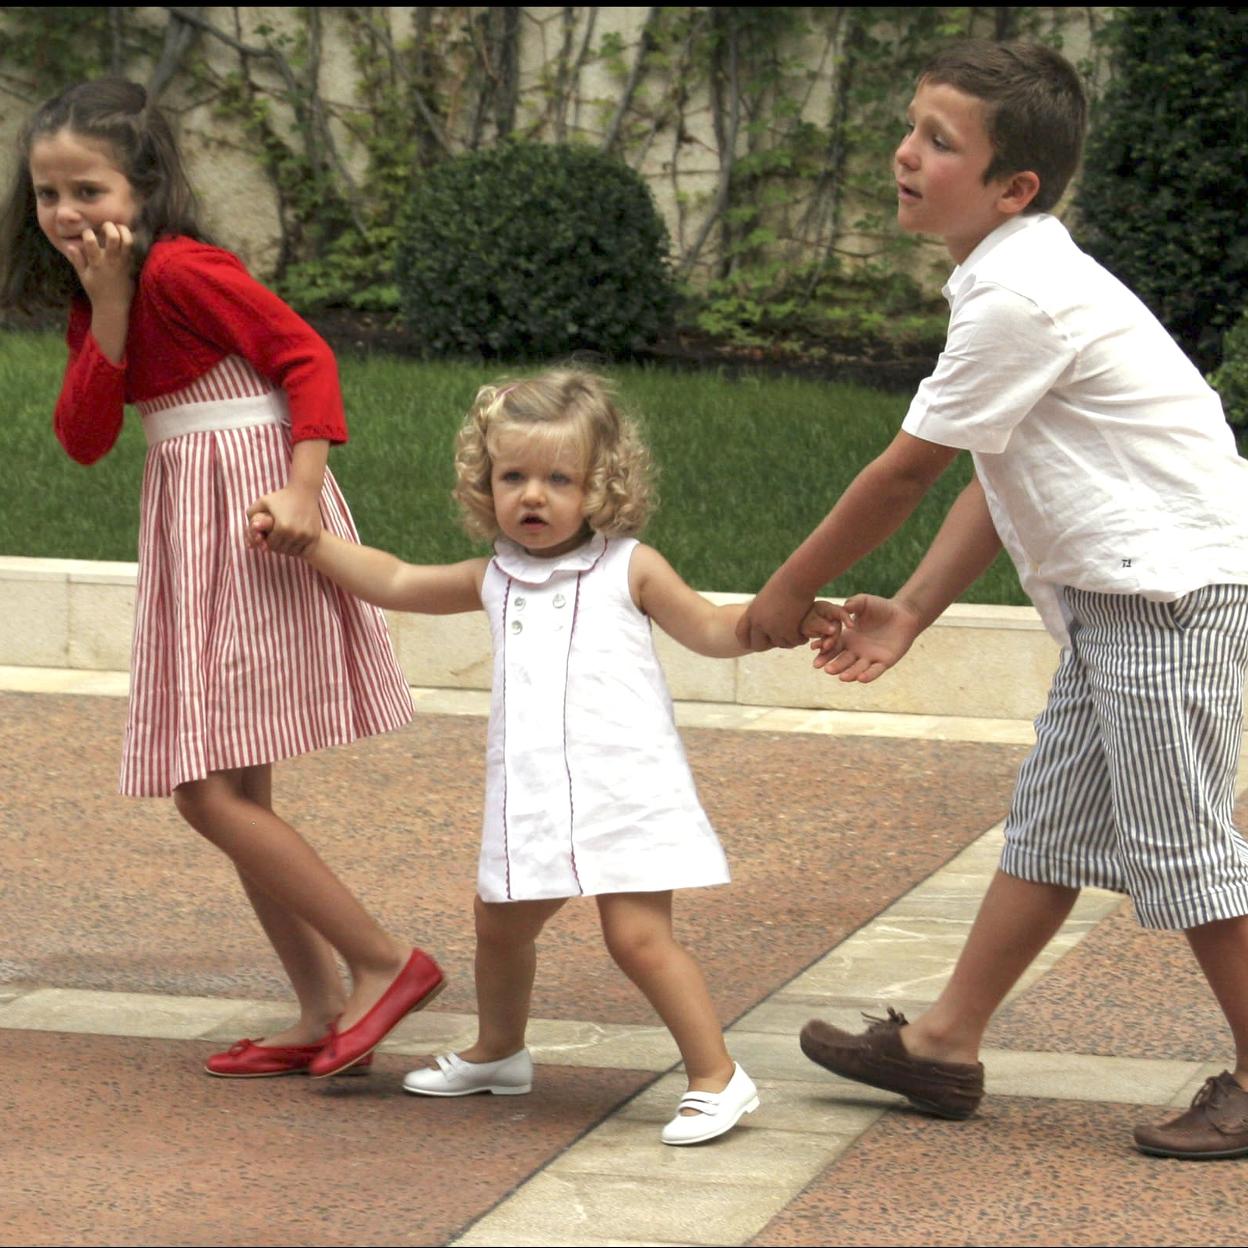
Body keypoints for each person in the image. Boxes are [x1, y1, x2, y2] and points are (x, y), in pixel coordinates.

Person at [737, 39, 1248, 1159]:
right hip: (1123, 598)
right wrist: (913, 608)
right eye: (912, 128)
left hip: (1166, 596)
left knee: (1186, 850)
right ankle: (944, 1044)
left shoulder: (1019, 296)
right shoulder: (1017, 273)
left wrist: (788, 591)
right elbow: (992, 459)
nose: (905, 155)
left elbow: (904, 472)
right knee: (1055, 824)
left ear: (1014, 186)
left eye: (939, 142)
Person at [251, 370, 836, 1143]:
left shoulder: (631, 568)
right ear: (484, 484)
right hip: (532, 796)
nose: (533, 495)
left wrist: (781, 620)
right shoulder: (496, 577)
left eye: (559, 479)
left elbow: (712, 630)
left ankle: (717, 1077)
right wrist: (314, 543)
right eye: (513, 476)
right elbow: (394, 580)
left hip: (622, 790)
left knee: (636, 938)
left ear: (601, 486)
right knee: (498, 927)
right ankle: (499, 1052)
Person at [0, 79, 444, 1081]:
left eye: (89, 190)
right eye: (47, 195)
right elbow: (81, 439)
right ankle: (322, 1004)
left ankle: (384, 963)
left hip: (251, 519)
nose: (68, 214)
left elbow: (306, 358)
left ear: (144, 188)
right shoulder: (102, 299)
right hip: (188, 522)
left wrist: (301, 490)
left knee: (203, 788)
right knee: (236, 781)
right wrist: (108, 306)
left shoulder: (191, 270)